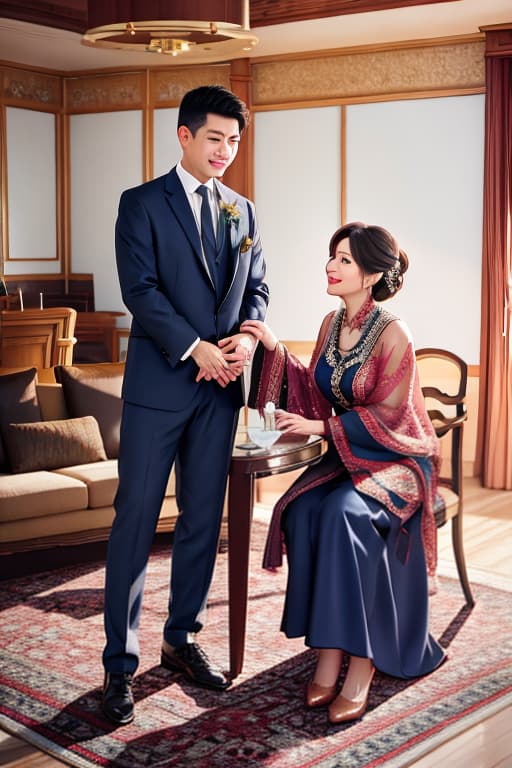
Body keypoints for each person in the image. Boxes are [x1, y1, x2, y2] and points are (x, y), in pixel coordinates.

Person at [101, 85, 269, 725]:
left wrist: (247, 341)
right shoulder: (140, 204)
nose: (226, 151)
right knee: (135, 523)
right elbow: (139, 291)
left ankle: (181, 640)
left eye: (234, 140)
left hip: (221, 391)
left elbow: (258, 288)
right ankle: (119, 664)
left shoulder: (244, 211)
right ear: (184, 135)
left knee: (204, 521)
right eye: (215, 138)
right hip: (159, 389)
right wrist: (196, 347)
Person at [240, 222, 445, 725]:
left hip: (397, 458)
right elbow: (315, 390)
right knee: (303, 510)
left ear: (372, 274)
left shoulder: (395, 333)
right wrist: (272, 348)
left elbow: (395, 416)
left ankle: (364, 662)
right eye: (332, 256)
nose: (331, 266)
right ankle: (329, 649)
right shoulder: (331, 326)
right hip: (349, 453)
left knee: (342, 515)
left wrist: (321, 425)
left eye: (345, 260)